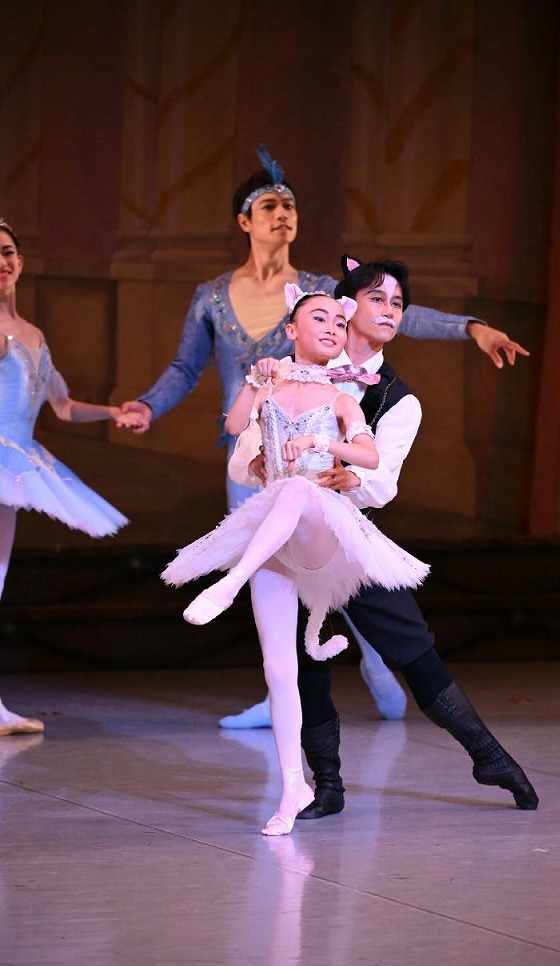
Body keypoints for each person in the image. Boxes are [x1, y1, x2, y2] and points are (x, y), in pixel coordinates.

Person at [120, 145, 527, 728]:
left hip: (314, 450)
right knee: (274, 581)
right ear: (244, 221)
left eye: (289, 205)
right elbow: (186, 368)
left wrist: (471, 328)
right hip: (257, 455)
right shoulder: (211, 295)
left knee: (336, 567)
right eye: (269, 206)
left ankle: (376, 660)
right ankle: (279, 695)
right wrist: (147, 405)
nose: (282, 214)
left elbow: (394, 312)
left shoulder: (320, 289)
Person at [232, 255, 538, 817]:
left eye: (398, 303)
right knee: (303, 660)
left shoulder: (399, 399)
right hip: (288, 536)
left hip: (348, 535)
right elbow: (245, 443)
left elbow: (383, 480)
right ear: (346, 306)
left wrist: (354, 477)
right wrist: (253, 462)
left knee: (412, 648)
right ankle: (326, 785)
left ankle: (489, 756)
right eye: (378, 299)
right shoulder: (294, 365)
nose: (390, 311)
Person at [161, 287, 429, 836]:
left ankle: (228, 583)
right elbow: (234, 427)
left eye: (339, 321)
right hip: (274, 538)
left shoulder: (342, 399)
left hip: (321, 526)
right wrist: (253, 383)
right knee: (280, 669)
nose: (333, 327)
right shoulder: (270, 387)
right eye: (319, 318)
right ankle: (292, 788)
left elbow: (370, 454)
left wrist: (321, 447)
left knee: (298, 491)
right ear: (290, 330)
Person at [0, 217, 131, 737]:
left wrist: (113, 412)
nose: (2, 262)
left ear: (20, 260)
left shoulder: (33, 333)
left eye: (7, 251)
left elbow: (62, 405)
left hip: (19, 461)